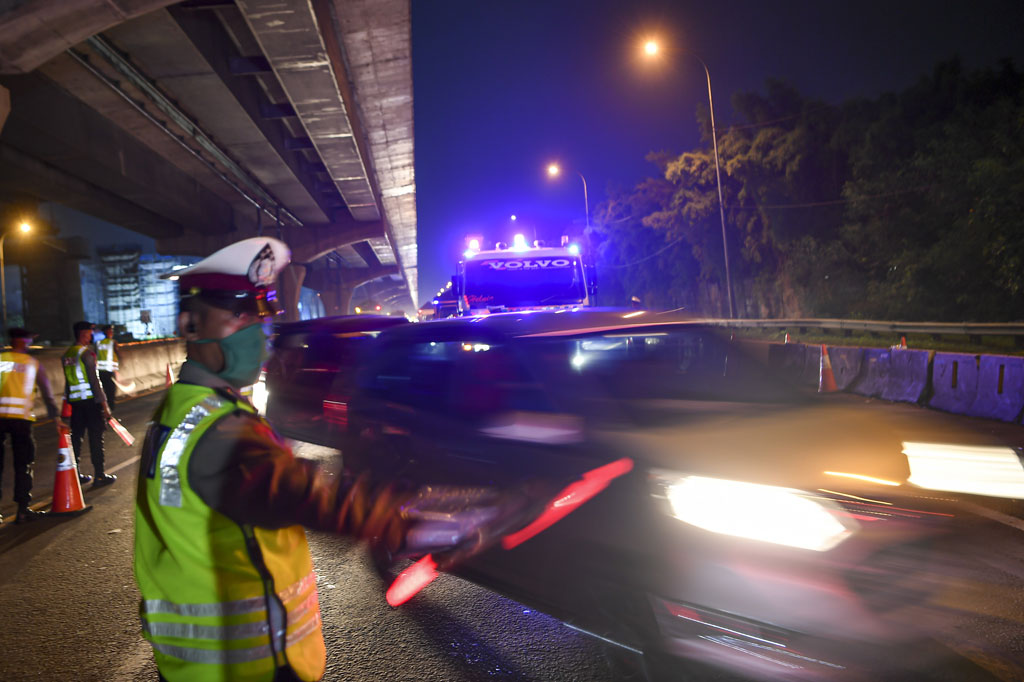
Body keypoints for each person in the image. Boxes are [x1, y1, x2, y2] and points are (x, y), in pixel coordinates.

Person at [134, 238, 515, 682]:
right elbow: (309, 494)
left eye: (260, 316)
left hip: (195, 668)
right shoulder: (220, 431)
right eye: (239, 314)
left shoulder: (181, 410)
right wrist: (428, 518)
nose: (256, 330)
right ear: (191, 325)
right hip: (246, 668)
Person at [0, 327, 59, 524]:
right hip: (21, 420)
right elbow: (48, 394)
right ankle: (23, 509)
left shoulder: (2, 360)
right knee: (23, 464)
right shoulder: (32, 364)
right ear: (25, 341)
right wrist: (56, 417)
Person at [60, 320, 114, 487]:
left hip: (76, 404)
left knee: (76, 438)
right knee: (96, 438)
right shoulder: (87, 354)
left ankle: (75, 475)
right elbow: (94, 382)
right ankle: (99, 475)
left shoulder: (67, 354)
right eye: (89, 333)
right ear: (84, 334)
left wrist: (67, 404)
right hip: (91, 403)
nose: (91, 336)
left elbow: (69, 383)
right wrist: (105, 406)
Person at [96, 324, 119, 413]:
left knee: (103, 390)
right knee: (111, 391)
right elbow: (117, 354)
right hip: (109, 371)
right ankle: (109, 409)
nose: (111, 333)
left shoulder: (98, 343)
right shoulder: (113, 342)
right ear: (106, 332)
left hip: (100, 371)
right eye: (110, 331)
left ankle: (103, 408)